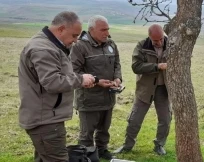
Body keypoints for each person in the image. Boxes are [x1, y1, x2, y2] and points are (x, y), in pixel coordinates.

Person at [18, 11, 95, 162]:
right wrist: (80, 80)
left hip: (46, 117)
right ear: (61, 29)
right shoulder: (44, 49)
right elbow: (52, 82)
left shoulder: (50, 45)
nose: (75, 41)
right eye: (74, 35)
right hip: (45, 121)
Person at [113, 24, 171, 155]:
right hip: (145, 88)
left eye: (161, 39)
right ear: (149, 37)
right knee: (135, 119)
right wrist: (157, 66)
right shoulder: (142, 46)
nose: (159, 42)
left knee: (166, 119)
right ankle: (127, 145)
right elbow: (136, 67)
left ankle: (159, 145)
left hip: (164, 89)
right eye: (156, 40)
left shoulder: (171, 44)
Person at [70, 15, 122, 160]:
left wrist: (117, 78)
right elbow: (74, 72)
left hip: (108, 97)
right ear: (91, 30)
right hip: (89, 99)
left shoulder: (111, 44)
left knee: (104, 129)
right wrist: (97, 81)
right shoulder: (80, 47)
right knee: (87, 133)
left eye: (108, 29)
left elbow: (117, 63)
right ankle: (86, 155)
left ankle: (102, 149)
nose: (107, 33)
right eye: (103, 30)